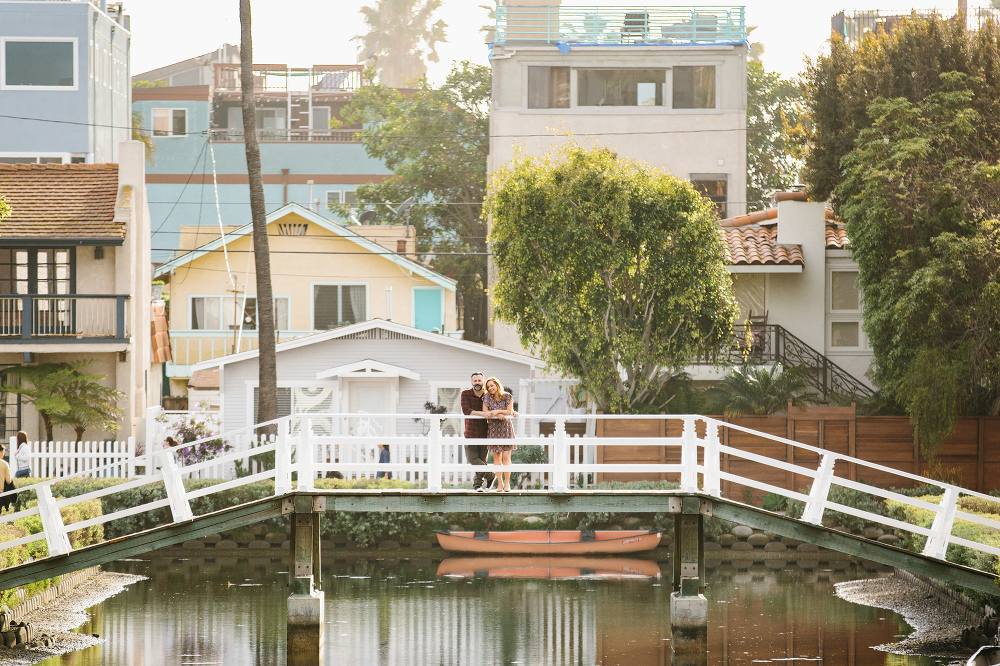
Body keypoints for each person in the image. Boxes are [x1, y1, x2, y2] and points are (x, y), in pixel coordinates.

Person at [461, 371, 496, 492]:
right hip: (470, 431)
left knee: (482, 460)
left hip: (485, 431)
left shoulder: (487, 396)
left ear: (483, 382)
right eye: (475, 381)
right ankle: (491, 475)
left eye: (479, 380)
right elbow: (466, 410)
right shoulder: (465, 394)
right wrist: (482, 413)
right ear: (472, 382)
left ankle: (477, 486)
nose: (477, 383)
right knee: (471, 458)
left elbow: (495, 407)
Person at [483, 376, 516, 492]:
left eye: (492, 385)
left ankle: (507, 483)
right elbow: (485, 412)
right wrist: (497, 415)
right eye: (488, 387)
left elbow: (509, 411)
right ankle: (500, 484)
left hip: (506, 428)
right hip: (493, 429)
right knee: (497, 457)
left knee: (506, 457)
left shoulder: (507, 396)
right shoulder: (486, 397)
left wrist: (497, 412)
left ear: (497, 385)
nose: (491, 388)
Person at [0, 442, 14, 512]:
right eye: (3, 452)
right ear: (0, 452)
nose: (3, 454)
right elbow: (8, 480)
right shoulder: (4, 464)